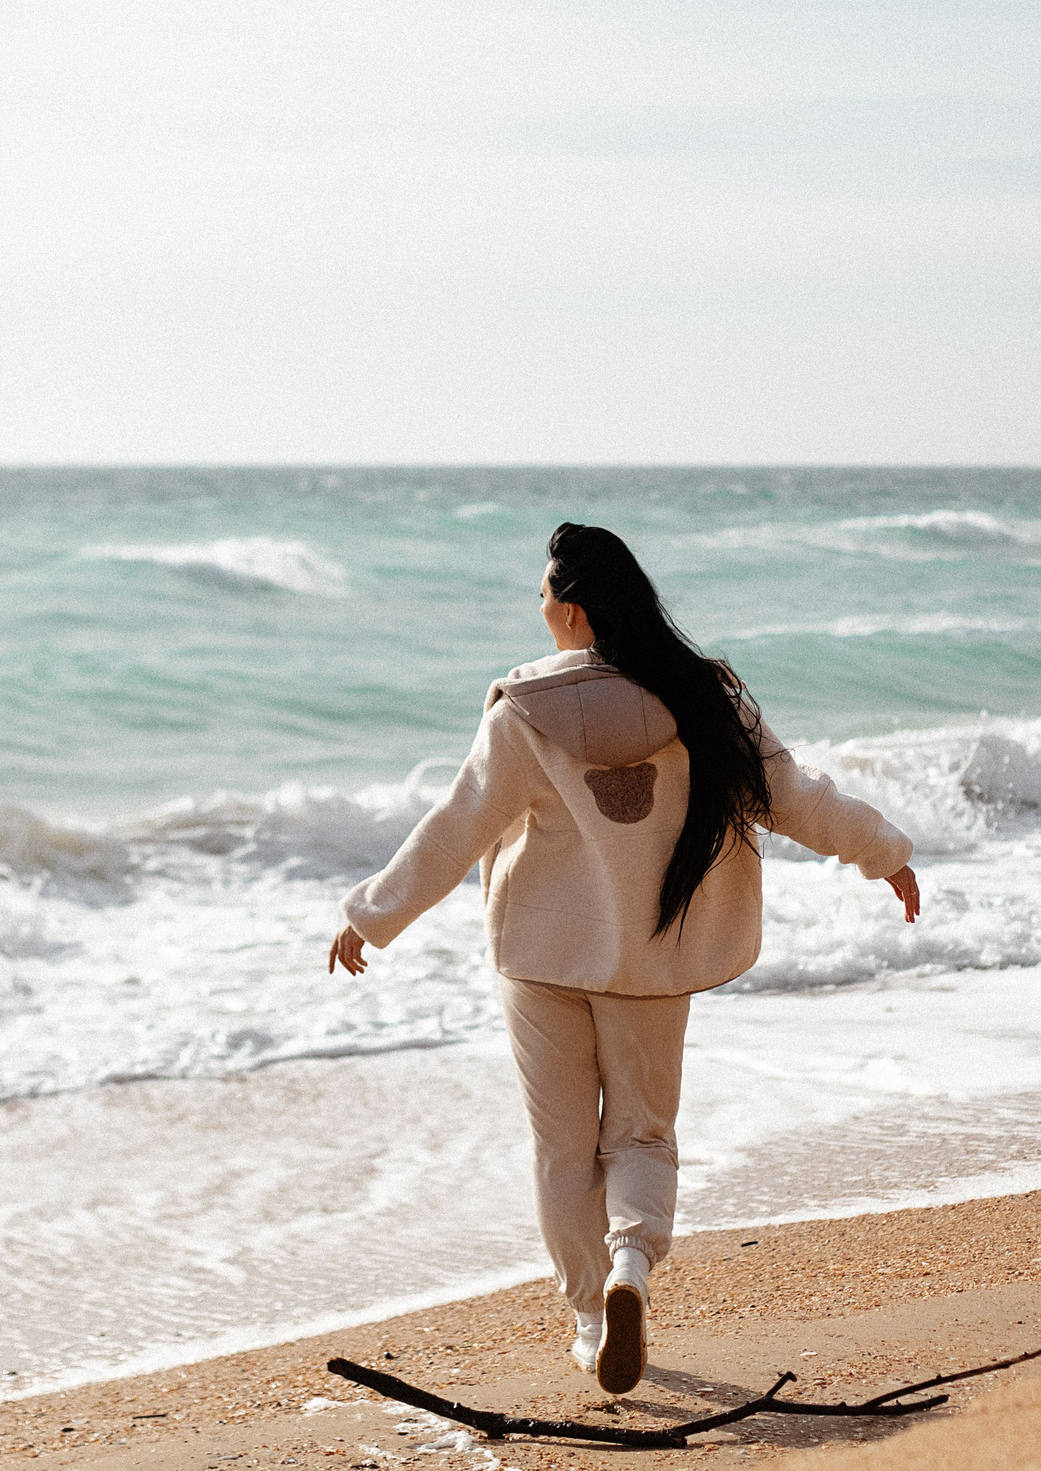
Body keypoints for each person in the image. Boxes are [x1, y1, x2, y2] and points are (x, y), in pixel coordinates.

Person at [326, 523, 920, 1395]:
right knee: (640, 1132)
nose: (538, 610)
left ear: (569, 611)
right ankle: (630, 1269)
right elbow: (792, 796)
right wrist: (885, 851)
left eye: (542, 597)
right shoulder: (703, 697)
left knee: (563, 1148)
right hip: (652, 960)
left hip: (538, 957)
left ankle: (591, 1318)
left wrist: (369, 916)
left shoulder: (524, 712)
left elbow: (455, 829)